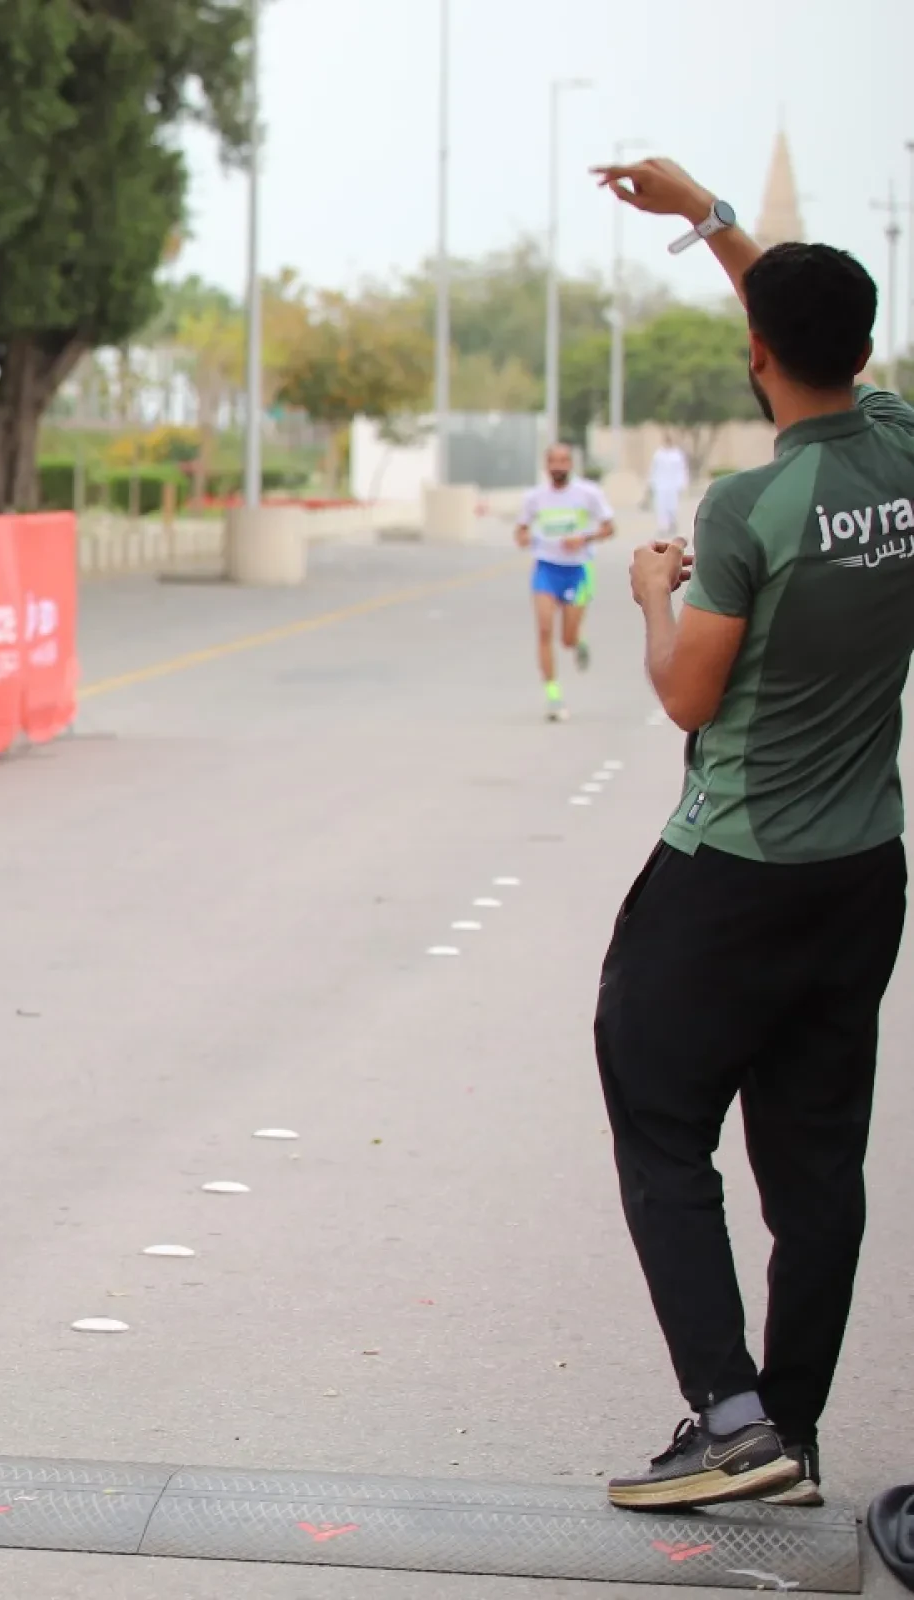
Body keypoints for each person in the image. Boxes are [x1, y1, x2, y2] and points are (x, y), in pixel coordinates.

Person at [591, 156, 914, 1512]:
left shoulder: (742, 511)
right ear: (861, 349)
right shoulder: (900, 446)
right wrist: (711, 221)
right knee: (816, 1162)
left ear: (755, 356)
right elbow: (793, 317)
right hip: (861, 869)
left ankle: (729, 1417)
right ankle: (790, 1428)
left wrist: (650, 593)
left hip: (732, 872)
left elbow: (685, 696)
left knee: (655, 1106)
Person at [513, 442, 618, 720]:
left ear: (570, 464)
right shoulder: (534, 497)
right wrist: (523, 538)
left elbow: (609, 528)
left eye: (563, 461)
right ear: (546, 465)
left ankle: (577, 641)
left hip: (578, 571)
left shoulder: (588, 493)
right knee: (544, 630)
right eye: (553, 461)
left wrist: (584, 538)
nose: (558, 466)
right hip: (546, 569)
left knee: (566, 639)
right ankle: (553, 696)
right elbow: (520, 530)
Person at [649, 442, 692, 540]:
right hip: (660, 484)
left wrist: (683, 483)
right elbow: (654, 469)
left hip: (673, 485)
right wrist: (652, 483)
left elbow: (682, 469)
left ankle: (672, 523)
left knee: (673, 506)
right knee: (661, 506)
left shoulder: (677, 455)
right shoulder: (658, 454)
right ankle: (662, 527)